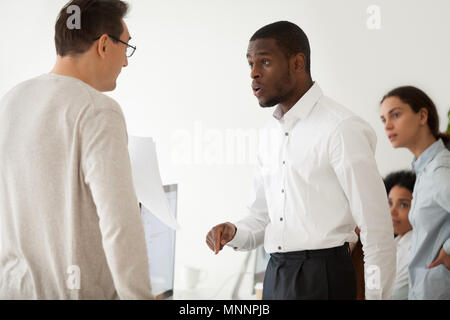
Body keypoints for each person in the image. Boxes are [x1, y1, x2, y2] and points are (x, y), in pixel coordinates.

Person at [206, 21, 396, 300]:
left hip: (325, 278)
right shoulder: (270, 134)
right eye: (250, 64)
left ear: (297, 63)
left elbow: (375, 227)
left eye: (265, 62)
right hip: (276, 275)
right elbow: (262, 218)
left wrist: (378, 297)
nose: (254, 74)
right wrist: (234, 232)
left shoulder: (342, 128)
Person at [0, 0, 153, 299]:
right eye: (126, 47)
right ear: (105, 45)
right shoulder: (97, 111)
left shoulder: (9, 102)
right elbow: (120, 225)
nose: (125, 62)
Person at [380, 86, 450, 299]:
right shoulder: (425, 170)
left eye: (396, 115)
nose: (388, 126)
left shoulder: (439, 171)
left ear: (422, 115)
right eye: (383, 120)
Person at [383, 170, 416, 299]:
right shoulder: (397, 242)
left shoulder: (414, 246)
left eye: (403, 205)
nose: (392, 211)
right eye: (390, 203)